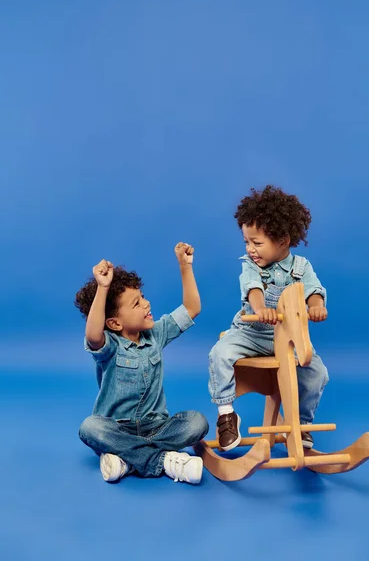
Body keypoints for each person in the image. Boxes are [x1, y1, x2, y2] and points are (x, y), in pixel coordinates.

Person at [75, 242, 208, 484]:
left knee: (197, 423)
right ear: (115, 323)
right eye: (136, 304)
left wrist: (184, 267)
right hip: (116, 429)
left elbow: (191, 308)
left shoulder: (156, 334)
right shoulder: (110, 346)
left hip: (157, 428)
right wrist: (103, 288)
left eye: (143, 297)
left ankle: (125, 459)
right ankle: (166, 461)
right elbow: (93, 335)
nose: (146, 304)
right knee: (90, 427)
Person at [208, 185, 328, 451]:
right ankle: (226, 415)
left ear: (283, 240)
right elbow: (252, 289)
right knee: (220, 353)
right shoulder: (251, 266)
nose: (251, 249)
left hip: (289, 339)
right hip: (250, 334)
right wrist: (261, 308)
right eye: (247, 242)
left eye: (257, 243)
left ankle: (302, 424)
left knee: (317, 372)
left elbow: (314, 291)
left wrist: (317, 306)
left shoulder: (301, 268)